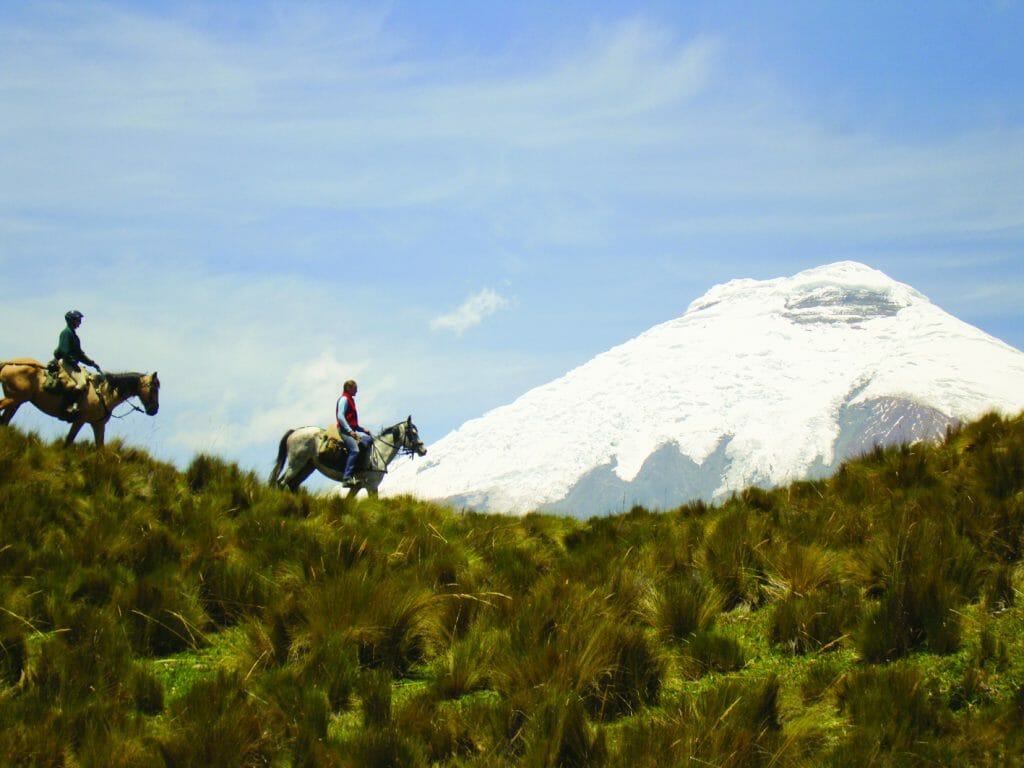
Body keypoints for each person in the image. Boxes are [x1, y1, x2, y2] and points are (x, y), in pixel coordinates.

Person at [54, 310, 101, 417]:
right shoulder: (66, 333)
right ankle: (68, 406)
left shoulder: (73, 335)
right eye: (77, 320)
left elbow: (79, 354)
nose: (79, 323)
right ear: (71, 321)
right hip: (65, 362)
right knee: (82, 383)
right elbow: (64, 351)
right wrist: (73, 364)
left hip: (71, 363)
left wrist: (91, 363)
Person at [336, 379, 372, 485]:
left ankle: (360, 469)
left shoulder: (351, 400)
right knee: (355, 450)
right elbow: (340, 416)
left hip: (351, 430)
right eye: (355, 389)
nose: (356, 391)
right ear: (348, 388)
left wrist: (362, 429)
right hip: (344, 430)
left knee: (368, 440)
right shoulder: (344, 399)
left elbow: (353, 422)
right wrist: (350, 431)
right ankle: (346, 477)